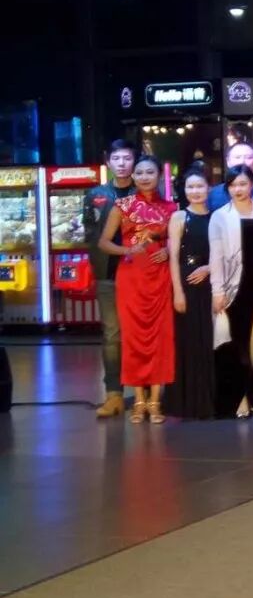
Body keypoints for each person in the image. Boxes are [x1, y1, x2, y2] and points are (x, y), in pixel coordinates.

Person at [96, 155, 177, 425]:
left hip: (160, 277)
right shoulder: (122, 206)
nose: (144, 177)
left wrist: (168, 250)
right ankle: (139, 401)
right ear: (133, 176)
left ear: (159, 175)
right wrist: (127, 250)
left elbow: (178, 240)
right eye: (139, 172)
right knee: (134, 338)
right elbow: (104, 242)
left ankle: (155, 401)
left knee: (160, 338)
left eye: (149, 172)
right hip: (132, 278)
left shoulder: (171, 207)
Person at [209, 164, 253, 418]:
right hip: (234, 287)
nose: (238, 189)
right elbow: (216, 257)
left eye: (243, 184)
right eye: (233, 185)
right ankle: (239, 398)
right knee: (236, 344)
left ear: (252, 185)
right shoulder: (220, 216)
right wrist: (217, 291)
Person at [85, 139, 138, 418]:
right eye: (116, 158)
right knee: (112, 335)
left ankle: (144, 394)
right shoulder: (96, 194)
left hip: (141, 275)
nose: (122, 164)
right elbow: (91, 235)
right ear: (108, 161)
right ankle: (114, 394)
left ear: (134, 161)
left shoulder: (144, 191)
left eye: (127, 158)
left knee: (141, 332)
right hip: (108, 274)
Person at [165, 168, 215, 419]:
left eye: (200, 186)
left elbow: (226, 252)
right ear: (184, 190)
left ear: (209, 188)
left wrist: (209, 268)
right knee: (188, 341)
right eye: (190, 187)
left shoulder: (217, 216)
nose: (195, 192)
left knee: (210, 340)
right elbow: (173, 257)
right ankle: (185, 403)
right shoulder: (179, 217)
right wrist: (178, 292)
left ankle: (209, 401)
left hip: (212, 282)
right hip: (186, 282)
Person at [208, 141, 253, 209]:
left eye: (249, 157)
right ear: (228, 161)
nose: (242, 161)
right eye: (237, 157)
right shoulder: (214, 194)